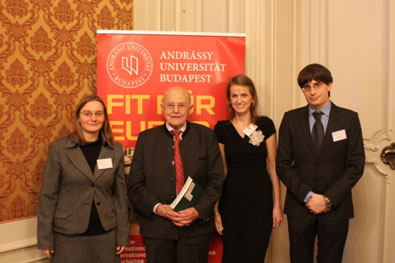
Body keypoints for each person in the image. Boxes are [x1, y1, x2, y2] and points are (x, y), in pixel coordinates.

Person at [276, 63, 365, 263]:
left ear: (330, 85)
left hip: (336, 207)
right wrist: (308, 196)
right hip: (300, 206)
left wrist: (327, 199)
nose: (312, 91)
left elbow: (356, 165)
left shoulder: (349, 119)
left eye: (317, 85)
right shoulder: (291, 119)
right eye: (307, 87)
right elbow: (282, 164)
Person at [127, 87, 224, 263]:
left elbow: (216, 180)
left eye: (181, 105)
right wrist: (158, 207)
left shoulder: (207, 136)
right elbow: (135, 185)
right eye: (171, 105)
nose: (176, 110)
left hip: (195, 229)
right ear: (162, 107)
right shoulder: (146, 139)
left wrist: (197, 210)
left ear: (190, 108)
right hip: (157, 229)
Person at [37, 94, 129, 263]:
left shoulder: (114, 150)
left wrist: (123, 234)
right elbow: (48, 195)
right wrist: (45, 237)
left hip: (106, 236)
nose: (93, 118)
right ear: (79, 117)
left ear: (104, 118)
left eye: (98, 114)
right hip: (67, 237)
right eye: (87, 113)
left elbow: (120, 196)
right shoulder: (60, 149)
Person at [213, 74, 283, 262]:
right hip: (231, 203)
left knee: (255, 255)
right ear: (229, 99)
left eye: (244, 95)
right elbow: (222, 171)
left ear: (253, 98)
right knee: (231, 255)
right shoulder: (221, 129)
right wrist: (216, 210)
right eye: (234, 96)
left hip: (260, 203)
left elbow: (273, 167)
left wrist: (277, 205)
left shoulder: (265, 125)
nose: (239, 100)